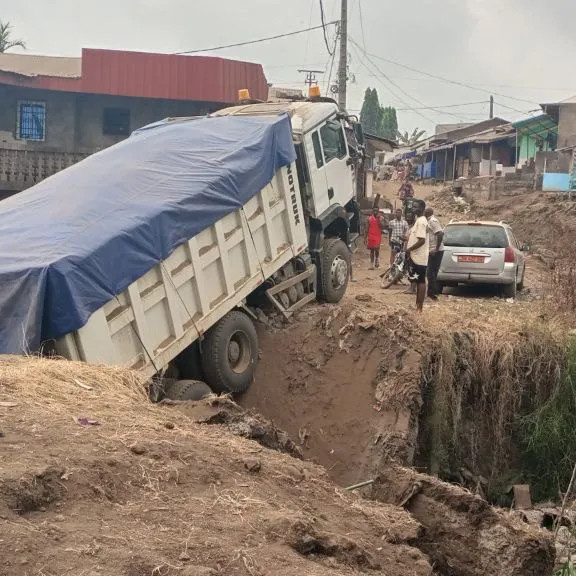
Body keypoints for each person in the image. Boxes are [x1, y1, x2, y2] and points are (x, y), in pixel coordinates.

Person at [405, 200, 429, 312]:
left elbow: (422, 240)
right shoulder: (418, 221)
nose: (413, 209)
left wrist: (409, 249)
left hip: (419, 258)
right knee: (418, 280)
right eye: (412, 207)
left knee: (421, 281)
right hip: (416, 257)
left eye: (416, 207)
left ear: (422, 208)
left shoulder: (421, 222)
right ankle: (417, 306)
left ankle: (419, 308)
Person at [425, 207, 444, 301]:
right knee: (432, 272)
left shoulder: (432, 221)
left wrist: (436, 249)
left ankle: (432, 294)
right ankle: (432, 293)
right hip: (432, 249)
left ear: (428, 212)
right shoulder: (428, 221)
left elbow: (440, 234)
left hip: (436, 251)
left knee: (431, 272)